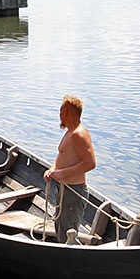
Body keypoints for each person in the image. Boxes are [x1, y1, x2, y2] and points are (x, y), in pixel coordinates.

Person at [43, 95, 97, 243]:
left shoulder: (79, 134)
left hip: (74, 191)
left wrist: (61, 173)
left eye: (60, 111)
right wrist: (52, 169)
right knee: (60, 227)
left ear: (65, 112)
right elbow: (61, 156)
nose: (59, 115)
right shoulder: (69, 132)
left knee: (68, 232)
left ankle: (71, 262)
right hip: (63, 189)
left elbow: (90, 163)